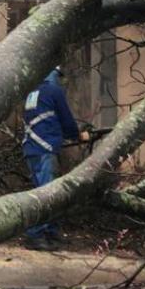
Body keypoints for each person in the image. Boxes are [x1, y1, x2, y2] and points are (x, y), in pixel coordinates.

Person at [22, 67, 89, 249]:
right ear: (52, 74)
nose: (60, 80)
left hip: (31, 149)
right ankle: (35, 235)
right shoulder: (53, 91)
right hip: (45, 149)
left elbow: (45, 120)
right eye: (58, 76)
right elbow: (66, 120)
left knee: (43, 191)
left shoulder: (31, 93)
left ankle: (51, 231)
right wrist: (78, 135)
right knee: (47, 195)